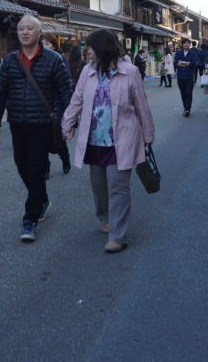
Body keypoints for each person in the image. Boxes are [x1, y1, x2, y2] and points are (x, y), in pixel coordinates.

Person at [62, 29, 155, 253]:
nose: (87, 51)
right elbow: (77, 98)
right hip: (94, 139)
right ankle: (105, 217)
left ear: (103, 47)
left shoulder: (130, 72)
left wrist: (148, 135)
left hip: (121, 139)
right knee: (99, 186)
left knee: (118, 187)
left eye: (91, 47)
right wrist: (67, 123)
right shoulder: (87, 71)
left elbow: (141, 105)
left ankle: (118, 235)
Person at [0, 14, 73, 243]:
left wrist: (70, 122)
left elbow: (67, 93)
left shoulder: (53, 60)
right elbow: (1, 94)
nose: (24, 32)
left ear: (39, 33)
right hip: (17, 123)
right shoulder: (10, 60)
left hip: (42, 124)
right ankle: (42, 199)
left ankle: (29, 219)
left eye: (29, 28)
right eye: (21, 29)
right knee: (22, 168)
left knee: (36, 169)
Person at [42, 37, 73, 175]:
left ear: (54, 46)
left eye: (47, 43)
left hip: (55, 104)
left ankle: (65, 158)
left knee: (57, 137)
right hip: (40, 105)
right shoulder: (37, 59)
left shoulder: (59, 59)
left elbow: (65, 86)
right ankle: (45, 167)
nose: (44, 45)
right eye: (42, 43)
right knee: (41, 139)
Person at [174, 38, 197, 116]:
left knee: (189, 93)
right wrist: (187, 63)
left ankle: (187, 110)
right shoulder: (178, 52)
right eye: (184, 43)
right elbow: (175, 63)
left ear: (189, 44)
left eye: (187, 43)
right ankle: (185, 108)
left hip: (189, 77)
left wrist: (183, 63)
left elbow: (194, 63)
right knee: (183, 93)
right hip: (180, 77)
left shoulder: (193, 53)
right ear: (182, 44)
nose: (186, 44)